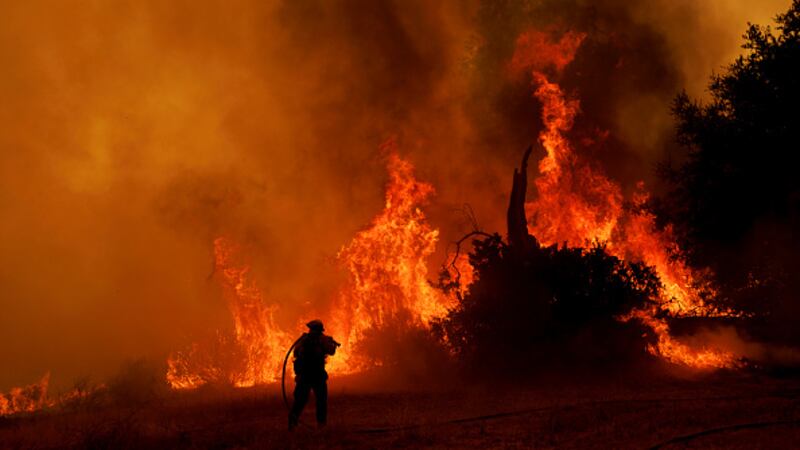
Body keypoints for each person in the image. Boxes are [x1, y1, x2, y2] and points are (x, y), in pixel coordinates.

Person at [289, 319, 339, 430]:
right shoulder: (322, 339)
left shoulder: (303, 339)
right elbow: (331, 351)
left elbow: (295, 353)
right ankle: (321, 425)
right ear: (320, 330)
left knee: (300, 400)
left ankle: (292, 423)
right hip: (317, 375)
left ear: (310, 329)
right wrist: (333, 344)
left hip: (304, 375)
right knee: (321, 400)